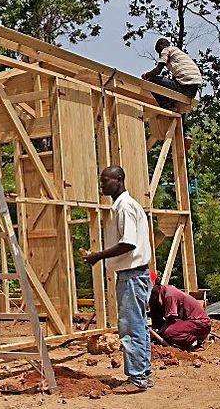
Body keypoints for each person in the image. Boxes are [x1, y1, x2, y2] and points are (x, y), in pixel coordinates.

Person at [81, 166, 153, 394]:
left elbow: (128, 243)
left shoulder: (124, 207)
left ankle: (137, 378)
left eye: (106, 180)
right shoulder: (125, 206)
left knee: (130, 327)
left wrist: (97, 256)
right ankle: (144, 374)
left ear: (119, 180)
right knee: (138, 326)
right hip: (136, 274)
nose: (102, 185)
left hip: (132, 275)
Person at [141, 38, 203, 150]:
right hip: (193, 88)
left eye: (158, 52)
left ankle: (168, 106)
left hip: (184, 85)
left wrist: (146, 75)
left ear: (160, 47)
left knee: (152, 81)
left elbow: (158, 70)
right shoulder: (179, 54)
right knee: (180, 105)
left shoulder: (166, 50)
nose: (160, 55)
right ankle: (186, 134)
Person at [149, 271, 212, 350]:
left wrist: (157, 334)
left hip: (200, 323)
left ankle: (200, 338)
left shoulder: (169, 295)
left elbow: (170, 322)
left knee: (170, 333)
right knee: (166, 333)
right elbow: (156, 322)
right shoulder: (156, 298)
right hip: (186, 322)